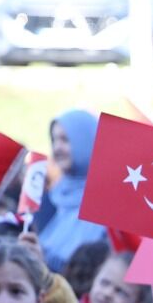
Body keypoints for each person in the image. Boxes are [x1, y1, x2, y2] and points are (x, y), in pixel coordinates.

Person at [33, 109, 109, 270]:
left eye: (65, 140)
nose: (57, 148)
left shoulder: (107, 205)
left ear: (87, 142)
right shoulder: (53, 197)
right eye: (54, 140)